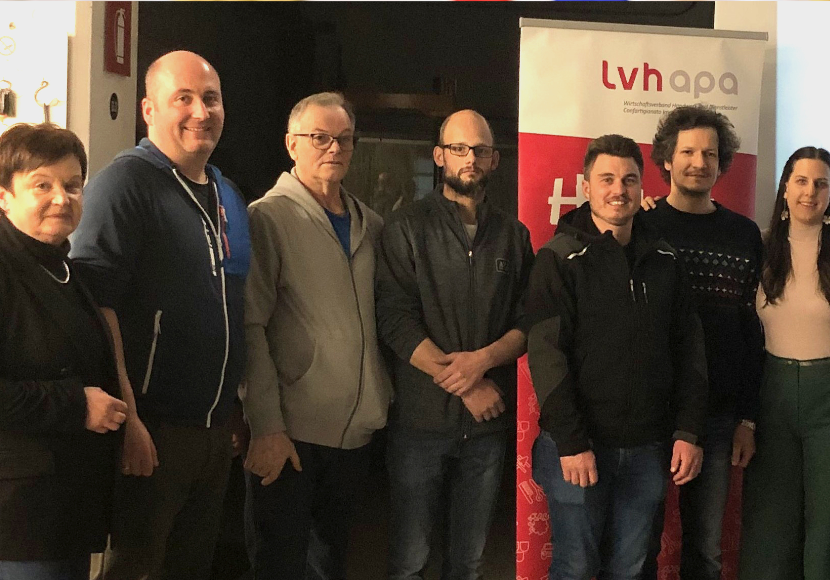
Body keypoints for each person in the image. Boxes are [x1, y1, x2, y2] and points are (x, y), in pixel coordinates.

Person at [70, 51, 251, 579]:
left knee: (190, 568)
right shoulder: (124, 184)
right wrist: (130, 420)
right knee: (136, 568)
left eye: (211, 99)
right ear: (148, 110)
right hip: (153, 428)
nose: (201, 111)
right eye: (184, 99)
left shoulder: (226, 192)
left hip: (212, 431)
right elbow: (96, 307)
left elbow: (232, 305)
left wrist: (233, 408)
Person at [526, 134, 708, 580]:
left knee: (632, 569)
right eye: (606, 179)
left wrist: (688, 429)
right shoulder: (559, 258)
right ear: (586, 186)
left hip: (648, 447)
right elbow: (546, 356)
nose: (618, 190)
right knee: (575, 567)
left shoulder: (665, 259)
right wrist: (572, 442)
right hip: (578, 446)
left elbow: (690, 350)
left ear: (642, 187)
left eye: (629, 179)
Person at [375, 109, 534, 579]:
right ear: (439, 155)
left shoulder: (513, 235)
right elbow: (394, 319)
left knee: (469, 561)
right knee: (410, 560)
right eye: (459, 148)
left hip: (486, 427)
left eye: (481, 150)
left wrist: (483, 361)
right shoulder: (406, 227)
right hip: (419, 423)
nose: (471, 158)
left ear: (495, 160)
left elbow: (528, 320)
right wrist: (468, 384)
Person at [242, 91, 391, 579]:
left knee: (331, 565)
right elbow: (250, 325)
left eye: (344, 138)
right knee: (279, 565)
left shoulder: (371, 224)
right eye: (320, 137)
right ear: (292, 144)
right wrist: (265, 426)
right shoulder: (267, 218)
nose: (334, 148)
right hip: (290, 433)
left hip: (355, 433)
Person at [639, 105, 763, 580]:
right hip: (649, 412)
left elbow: (752, 331)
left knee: (706, 551)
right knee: (638, 547)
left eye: (710, 153)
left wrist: (747, 418)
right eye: (688, 151)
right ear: (667, 159)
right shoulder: (642, 225)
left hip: (718, 413)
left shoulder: (744, 235)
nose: (699, 162)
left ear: (722, 162)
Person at [0, 123, 127, 579]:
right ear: (4, 196)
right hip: (18, 519)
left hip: (65, 508)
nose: (62, 198)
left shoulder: (63, 267)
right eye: (42, 185)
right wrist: (77, 404)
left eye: (73, 186)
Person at [738, 147, 830, 580]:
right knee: (771, 520)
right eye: (801, 181)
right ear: (785, 188)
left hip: (826, 394)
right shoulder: (758, 246)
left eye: (821, 184)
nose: (810, 192)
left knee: (825, 518)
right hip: (771, 392)